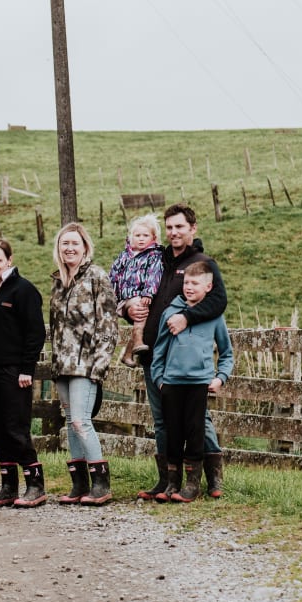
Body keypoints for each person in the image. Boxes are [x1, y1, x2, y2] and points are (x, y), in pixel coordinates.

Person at [128, 203, 228, 500]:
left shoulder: (202, 263)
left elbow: (218, 301)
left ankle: (212, 480)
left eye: (179, 227)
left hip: (185, 363)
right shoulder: (155, 259)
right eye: (169, 227)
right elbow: (137, 290)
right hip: (154, 355)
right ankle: (166, 481)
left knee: (199, 421)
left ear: (192, 229)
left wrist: (187, 318)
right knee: (161, 420)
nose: (174, 232)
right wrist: (128, 307)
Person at [150, 261, 233, 503]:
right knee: (172, 432)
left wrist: (220, 378)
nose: (189, 287)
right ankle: (172, 483)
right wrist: (160, 381)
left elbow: (226, 353)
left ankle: (192, 484)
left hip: (199, 383)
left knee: (195, 432)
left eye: (195, 283)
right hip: (171, 383)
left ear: (208, 287)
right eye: (186, 282)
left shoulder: (214, 317)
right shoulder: (171, 314)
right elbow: (159, 352)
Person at [49, 222, 119, 506]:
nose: (69, 248)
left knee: (81, 421)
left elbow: (109, 326)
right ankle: (79, 484)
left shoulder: (97, 277)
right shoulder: (58, 281)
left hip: (86, 365)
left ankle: (101, 484)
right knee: (70, 423)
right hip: (62, 365)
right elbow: (56, 328)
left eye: (74, 243)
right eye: (65, 243)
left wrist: (98, 367)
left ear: (85, 247)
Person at [0, 239, 48, 509]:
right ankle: (8, 486)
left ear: (9, 260)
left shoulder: (23, 290)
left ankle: (36, 485)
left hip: (15, 372)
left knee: (15, 428)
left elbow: (35, 333)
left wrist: (26, 369)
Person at [108, 213, 164, 367]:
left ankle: (128, 353)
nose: (141, 238)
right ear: (131, 237)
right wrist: (111, 296)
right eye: (137, 235)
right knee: (140, 310)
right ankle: (137, 341)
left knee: (142, 310)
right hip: (123, 299)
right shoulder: (125, 256)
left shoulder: (154, 256)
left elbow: (154, 275)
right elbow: (113, 275)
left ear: (153, 238)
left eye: (145, 235)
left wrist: (148, 292)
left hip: (140, 297)